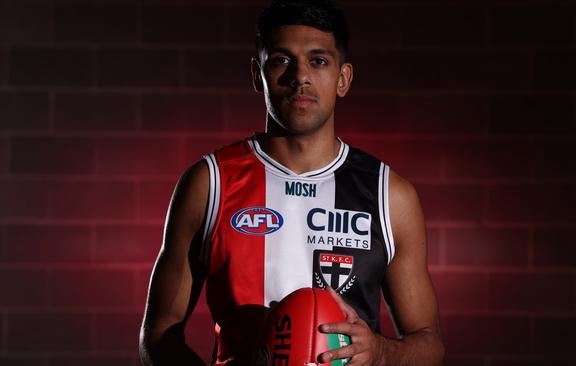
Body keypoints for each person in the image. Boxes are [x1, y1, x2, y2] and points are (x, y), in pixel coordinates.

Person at [139, 0, 445, 365]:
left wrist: (380, 352)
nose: (300, 76)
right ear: (258, 75)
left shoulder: (390, 195)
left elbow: (430, 347)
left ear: (343, 79)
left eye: (318, 61)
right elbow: (158, 336)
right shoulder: (210, 183)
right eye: (281, 59)